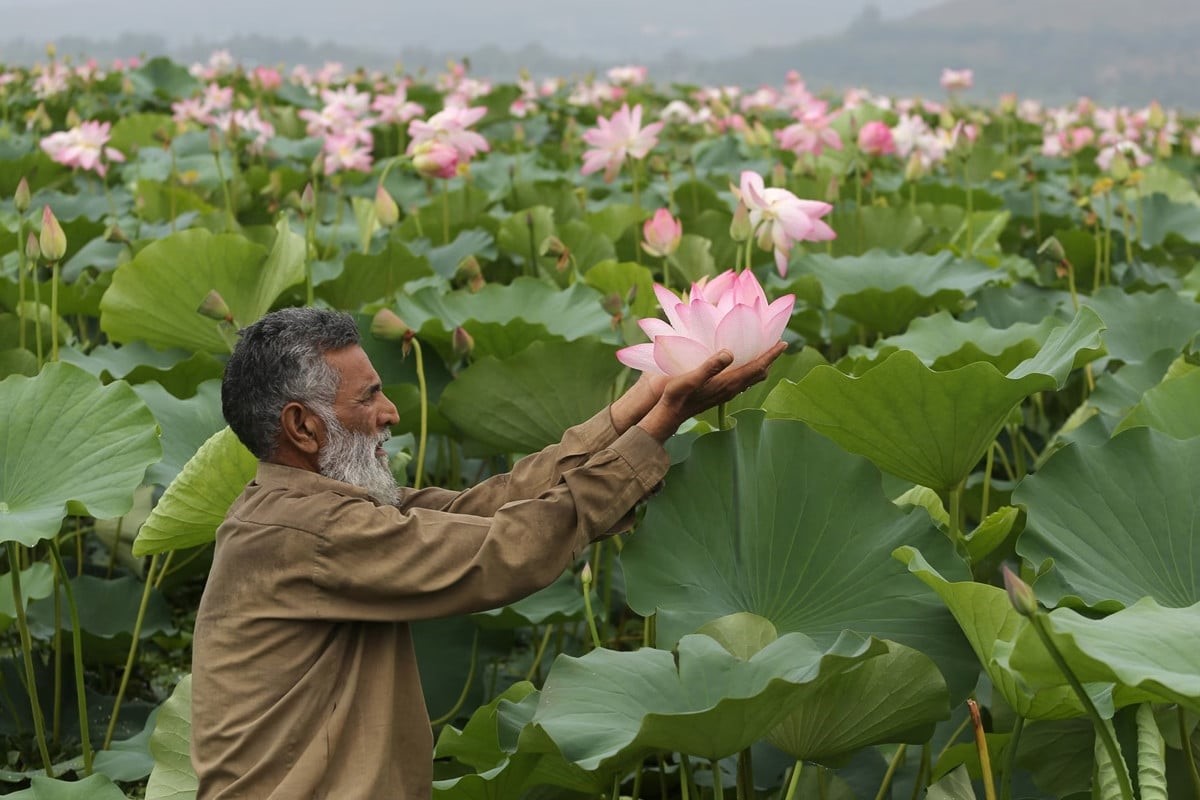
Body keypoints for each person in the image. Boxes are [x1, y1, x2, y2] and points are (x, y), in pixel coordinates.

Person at [191, 306, 784, 799]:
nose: (390, 413)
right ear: (303, 427)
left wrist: (638, 406)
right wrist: (657, 431)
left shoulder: (316, 511)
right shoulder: (309, 534)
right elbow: (505, 550)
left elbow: (488, 509)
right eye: (369, 397)